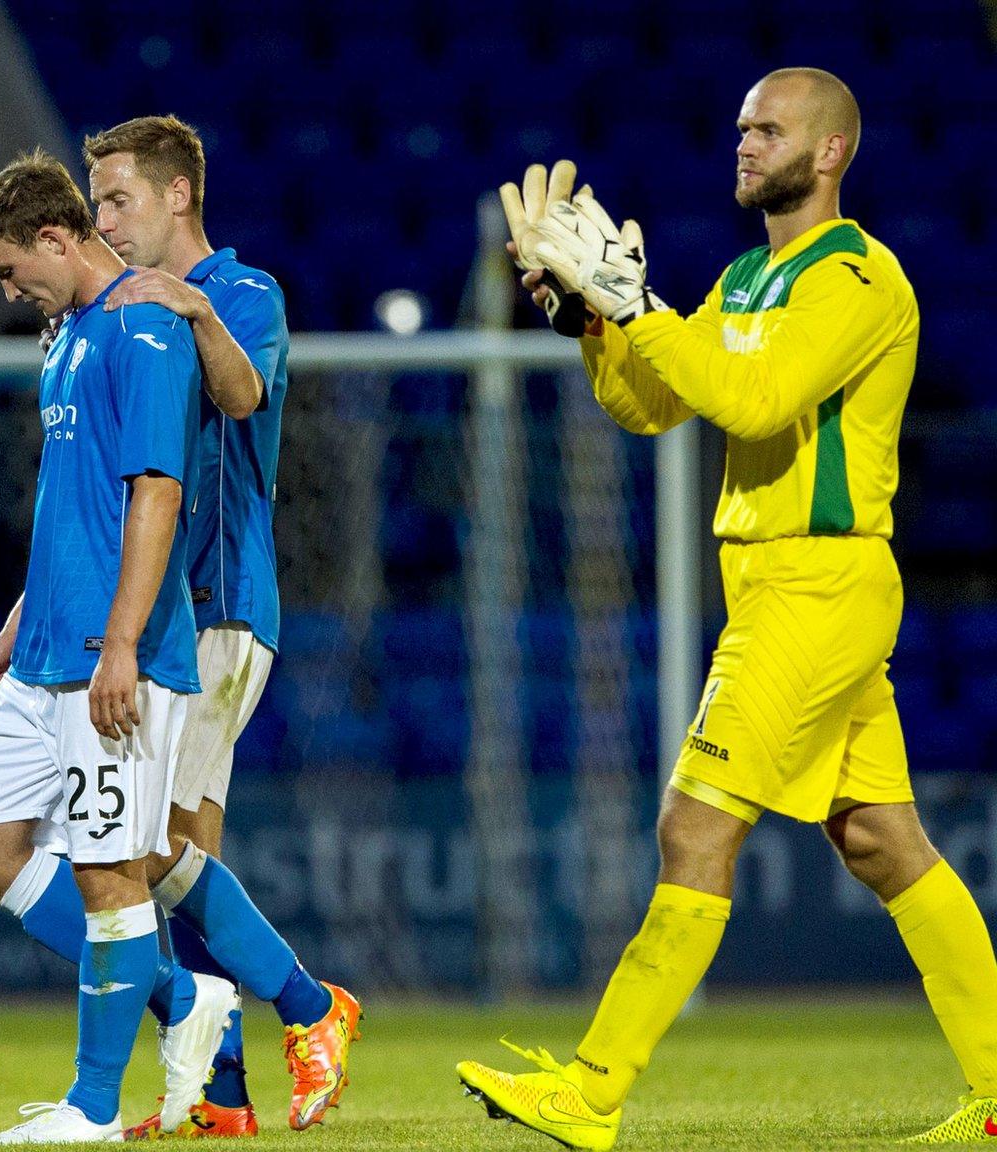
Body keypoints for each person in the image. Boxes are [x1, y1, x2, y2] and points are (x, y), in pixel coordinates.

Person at [462, 67, 997, 1149]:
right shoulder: (751, 276)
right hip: (781, 581)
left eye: (768, 129)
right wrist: (592, 325)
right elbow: (652, 404)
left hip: (815, 579)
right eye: (740, 128)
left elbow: (752, 396)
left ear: (831, 151)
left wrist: (639, 307)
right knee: (879, 840)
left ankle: (593, 1089)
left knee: (692, 824)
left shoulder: (854, 279)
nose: (743, 143)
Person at [81, 113, 360, 1139]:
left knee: (148, 845)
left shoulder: (243, 294)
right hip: (161, 614)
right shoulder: (125, 310)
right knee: (180, 849)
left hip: (220, 605)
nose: (104, 219)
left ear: (175, 196)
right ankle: (220, 1093)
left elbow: (241, 395)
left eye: (117, 199)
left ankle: (309, 1005)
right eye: (96, 203)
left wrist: (190, 309)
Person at [0, 149, 217, 1144]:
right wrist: (16, 624)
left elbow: (157, 492)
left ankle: (92, 1108)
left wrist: (119, 645)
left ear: (57, 239)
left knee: (108, 877)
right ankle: (181, 1000)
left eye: (7, 268)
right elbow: (73, 507)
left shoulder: (142, 332)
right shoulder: (67, 338)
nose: (6, 287)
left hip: (119, 657)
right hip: (45, 649)